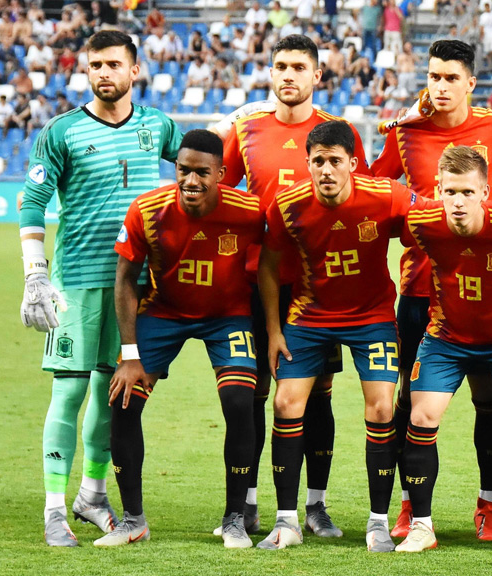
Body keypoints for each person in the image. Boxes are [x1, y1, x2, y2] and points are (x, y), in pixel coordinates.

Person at [18, 30, 183, 547]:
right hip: (77, 284)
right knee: (69, 391)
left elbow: (199, 164)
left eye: (113, 64)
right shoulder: (61, 131)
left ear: (135, 70)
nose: (103, 73)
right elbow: (32, 201)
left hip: (134, 287)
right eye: (95, 65)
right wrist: (35, 273)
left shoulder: (158, 126)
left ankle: (92, 495)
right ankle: (53, 508)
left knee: (112, 394)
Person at [371, 39, 492, 541]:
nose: (440, 86)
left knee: (489, 400)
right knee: (410, 400)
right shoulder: (406, 133)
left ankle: (488, 505)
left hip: (486, 292)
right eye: (433, 77)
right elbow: (372, 186)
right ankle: (409, 506)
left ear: (471, 83)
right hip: (421, 289)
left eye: (450, 78)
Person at [219, 34, 370, 538]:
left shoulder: (337, 132)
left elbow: (359, 198)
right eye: (280, 66)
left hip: (316, 288)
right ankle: (245, 505)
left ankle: (316, 505)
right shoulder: (246, 130)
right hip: (254, 281)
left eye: (299, 67)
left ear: (317, 75)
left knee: (318, 394)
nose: (288, 75)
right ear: (270, 72)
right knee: (254, 393)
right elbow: (219, 192)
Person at [99, 130, 264, 548]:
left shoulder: (249, 211)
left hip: (228, 317)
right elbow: (124, 279)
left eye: (202, 172)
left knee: (240, 401)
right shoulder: (147, 210)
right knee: (123, 399)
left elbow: (276, 260)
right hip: (163, 312)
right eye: (183, 170)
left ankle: (235, 519)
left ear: (221, 174)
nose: (191, 181)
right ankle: (132, 521)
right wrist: (130, 355)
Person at [257, 121, 413, 552]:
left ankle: (378, 523)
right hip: (310, 317)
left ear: (353, 163)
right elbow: (268, 265)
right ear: (307, 163)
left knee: (381, 408)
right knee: (285, 403)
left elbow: (430, 226)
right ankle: (286, 522)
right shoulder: (287, 204)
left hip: (371, 316)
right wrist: (273, 330)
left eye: (335, 161)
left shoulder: (387, 195)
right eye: (318, 161)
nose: (326, 170)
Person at [395, 146, 492, 555]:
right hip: (446, 338)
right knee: (420, 416)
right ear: (438, 191)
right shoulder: (422, 222)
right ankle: (421, 526)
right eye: (450, 192)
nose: (458, 202)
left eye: (467, 192)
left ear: (485, 191)